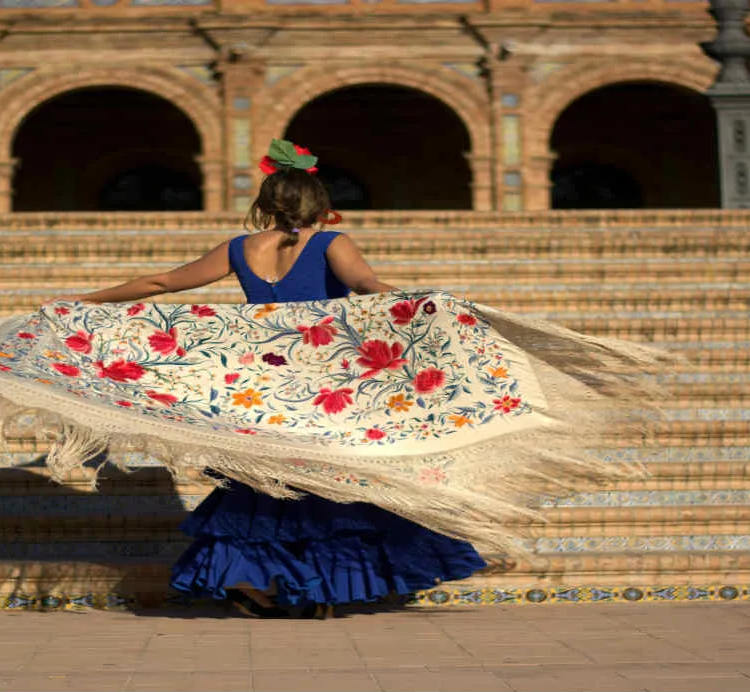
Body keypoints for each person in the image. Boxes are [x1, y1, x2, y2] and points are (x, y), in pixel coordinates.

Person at [45, 141, 487, 618]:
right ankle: (310, 586)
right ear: (319, 203)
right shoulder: (330, 243)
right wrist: (430, 305)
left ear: (266, 205)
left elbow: (161, 284)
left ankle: (257, 581)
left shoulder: (240, 248)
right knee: (328, 482)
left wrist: (87, 299)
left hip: (264, 382)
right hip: (324, 382)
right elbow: (367, 287)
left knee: (268, 483)